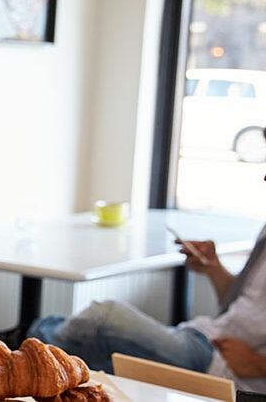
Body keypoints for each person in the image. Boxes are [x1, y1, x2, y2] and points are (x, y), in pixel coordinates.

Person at [26, 142, 266, 392]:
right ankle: (32, 346)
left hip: (219, 364)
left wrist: (258, 364)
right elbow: (240, 303)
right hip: (204, 336)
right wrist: (214, 269)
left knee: (102, 318)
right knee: (94, 367)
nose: (264, 176)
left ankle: (27, 345)